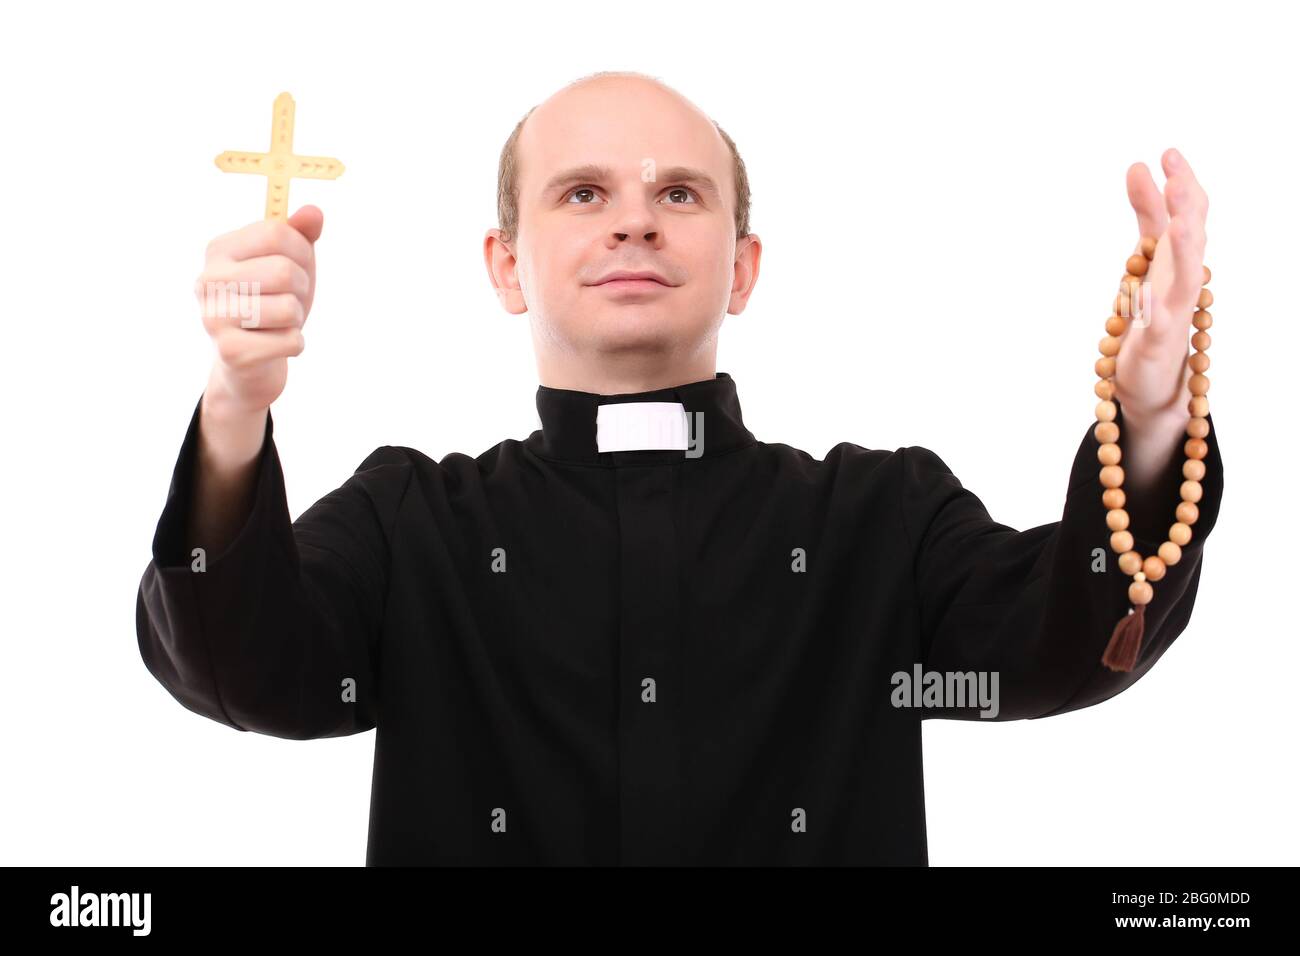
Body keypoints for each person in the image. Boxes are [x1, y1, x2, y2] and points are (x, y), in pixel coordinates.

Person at [136, 70, 1223, 865]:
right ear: (504, 266)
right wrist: (236, 405)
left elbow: (1077, 643)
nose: (636, 223)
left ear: (742, 268)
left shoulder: (877, 518)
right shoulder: (407, 522)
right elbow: (242, 668)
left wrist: (1151, 404)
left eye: (682, 195)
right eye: (581, 193)